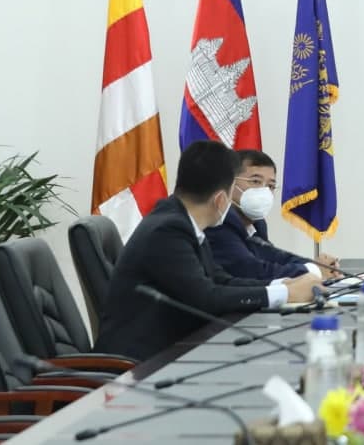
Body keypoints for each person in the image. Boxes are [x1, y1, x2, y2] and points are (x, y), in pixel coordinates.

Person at [94, 141, 320, 361]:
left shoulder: (181, 221)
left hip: (172, 350)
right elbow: (206, 298)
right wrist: (284, 295)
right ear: (221, 199)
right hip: (138, 365)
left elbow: (220, 280)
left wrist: (283, 285)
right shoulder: (168, 230)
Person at [205, 149, 341, 281]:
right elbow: (251, 270)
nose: (264, 191)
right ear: (230, 183)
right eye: (255, 181)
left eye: (270, 186)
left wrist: (317, 265)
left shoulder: (258, 224)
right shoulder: (218, 221)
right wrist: (314, 270)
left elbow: (277, 258)